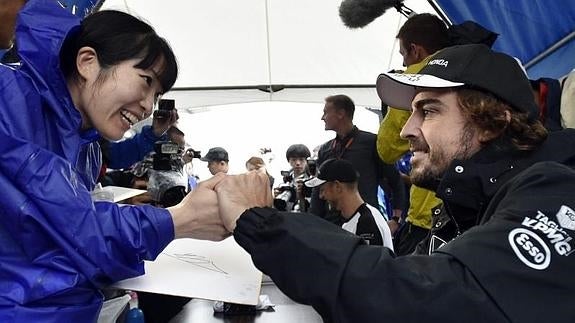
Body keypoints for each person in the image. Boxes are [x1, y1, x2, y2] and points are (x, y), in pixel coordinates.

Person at [215, 44, 575, 322]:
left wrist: (260, 223)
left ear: (492, 122)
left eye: (429, 111)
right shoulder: (471, 204)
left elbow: (424, 300)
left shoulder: (558, 189)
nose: (406, 130)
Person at [0, 1, 232, 320]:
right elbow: (72, 225)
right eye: (146, 81)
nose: (149, 106)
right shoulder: (8, 98)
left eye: (158, 95)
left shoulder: (88, 146)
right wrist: (178, 220)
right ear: (87, 62)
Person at [376, 13, 448, 255]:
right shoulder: (476, 74)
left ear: (415, 50)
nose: (410, 130)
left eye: (404, 56)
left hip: (427, 218)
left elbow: (386, 149)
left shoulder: (415, 78)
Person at [310, 94, 406, 223]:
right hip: (331, 224)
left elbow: (395, 180)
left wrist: (395, 219)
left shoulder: (372, 143)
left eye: (326, 112)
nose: (322, 118)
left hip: (365, 221)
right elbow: (318, 191)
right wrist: (313, 223)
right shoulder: (325, 149)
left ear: (341, 114)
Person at [305, 158, 393, 248]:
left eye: (322, 189)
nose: (321, 196)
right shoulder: (355, 218)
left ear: (337, 186)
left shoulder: (366, 223)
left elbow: (368, 261)